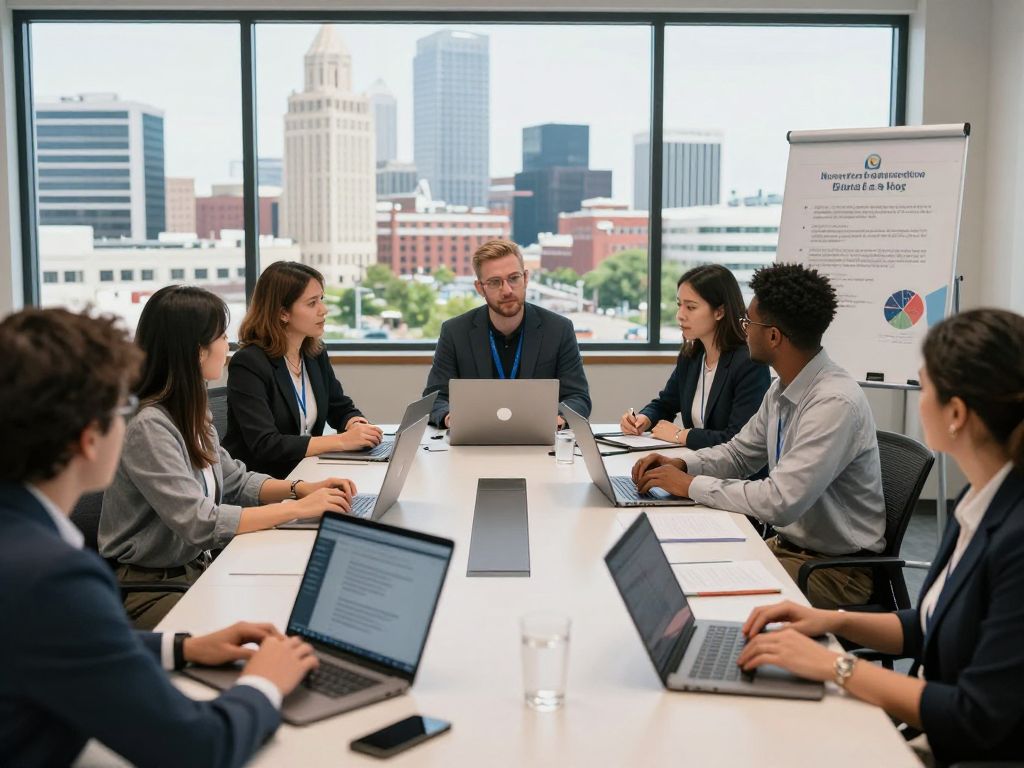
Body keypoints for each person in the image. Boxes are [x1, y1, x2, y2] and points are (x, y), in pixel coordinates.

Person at [0, 307, 319, 767]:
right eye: (121, 406)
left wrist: (183, 647)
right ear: (89, 438)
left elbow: (60, 639)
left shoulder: (26, 551)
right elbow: (199, 748)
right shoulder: (51, 578)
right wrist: (264, 683)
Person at [736, 308, 1024, 768]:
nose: (918, 397)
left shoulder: (1015, 538)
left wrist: (836, 665)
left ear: (956, 414)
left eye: (924, 386)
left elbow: (976, 717)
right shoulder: (980, 499)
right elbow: (931, 625)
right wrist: (833, 624)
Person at [100, 285, 356, 629]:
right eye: (221, 337)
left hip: (194, 571)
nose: (228, 346)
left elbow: (235, 480)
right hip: (150, 588)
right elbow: (199, 522)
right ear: (196, 351)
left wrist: (300, 488)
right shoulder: (149, 426)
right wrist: (298, 510)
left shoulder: (189, 411)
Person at [632, 263, 885, 608]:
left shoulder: (833, 403)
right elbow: (739, 454)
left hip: (837, 572)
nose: (744, 330)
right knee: (686, 570)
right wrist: (682, 463)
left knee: (706, 595)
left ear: (774, 336)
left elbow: (779, 501)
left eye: (749, 323)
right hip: (790, 549)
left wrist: (688, 485)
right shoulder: (783, 389)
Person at [225, 261, 383, 477]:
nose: (323, 310)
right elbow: (265, 444)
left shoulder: (314, 354)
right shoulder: (249, 363)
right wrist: (342, 441)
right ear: (283, 313)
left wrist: (356, 425)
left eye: (322, 300)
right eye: (312, 303)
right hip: (265, 482)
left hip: (309, 471)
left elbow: (340, 407)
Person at [423, 238, 591, 428]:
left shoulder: (559, 329)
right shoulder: (455, 332)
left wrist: (559, 419)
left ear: (525, 278)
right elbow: (434, 398)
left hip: (540, 443)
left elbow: (578, 397)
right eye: (495, 282)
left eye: (514, 278)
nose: (507, 290)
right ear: (480, 288)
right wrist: (450, 418)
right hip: (474, 441)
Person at [620, 264, 771, 451]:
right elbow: (666, 403)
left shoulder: (749, 363)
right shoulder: (691, 356)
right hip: (697, 466)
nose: (680, 315)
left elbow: (738, 439)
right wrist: (644, 418)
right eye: (679, 305)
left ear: (720, 312)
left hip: (734, 477)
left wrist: (680, 435)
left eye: (690, 307)